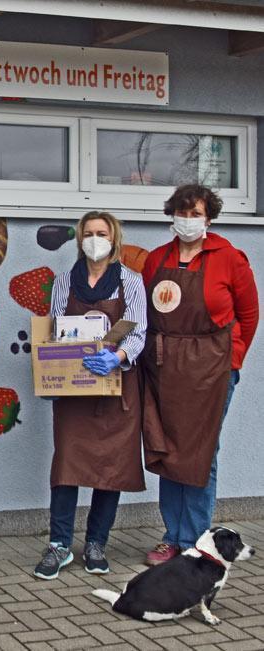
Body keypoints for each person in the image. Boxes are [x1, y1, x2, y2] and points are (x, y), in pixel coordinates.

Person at [142, 184, 258, 566]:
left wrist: (232, 359)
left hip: (212, 368)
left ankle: (195, 540)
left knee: (201, 453)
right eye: (182, 212)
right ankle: (172, 538)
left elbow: (248, 314)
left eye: (196, 214)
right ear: (171, 215)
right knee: (168, 450)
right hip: (165, 367)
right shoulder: (156, 259)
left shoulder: (230, 258)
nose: (188, 220)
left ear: (209, 218)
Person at [33, 211, 147, 580]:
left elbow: (140, 330)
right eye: (89, 233)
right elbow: (54, 329)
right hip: (75, 391)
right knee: (66, 466)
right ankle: (59, 545)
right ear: (79, 239)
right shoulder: (65, 281)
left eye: (102, 233)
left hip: (116, 388)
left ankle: (97, 543)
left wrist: (117, 355)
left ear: (114, 240)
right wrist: (52, 369)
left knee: (109, 469)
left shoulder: (131, 281)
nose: (95, 239)